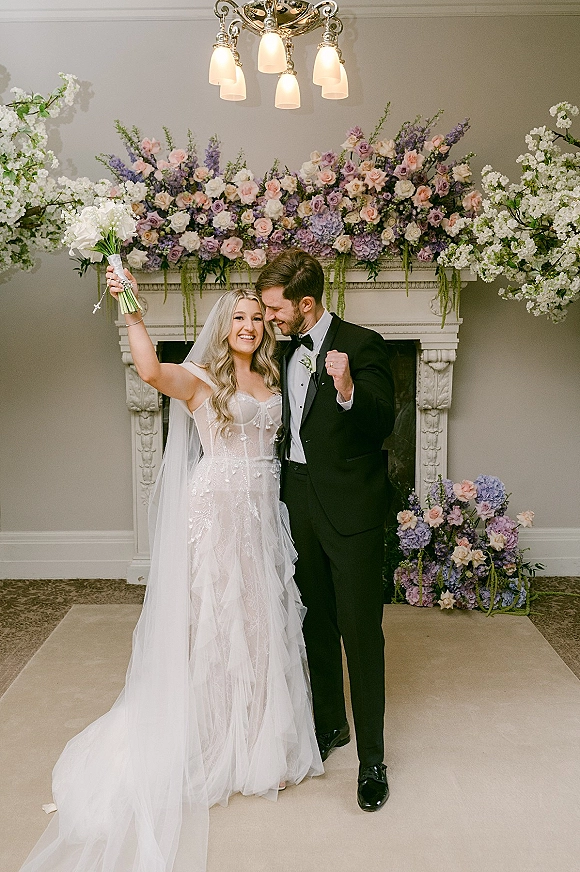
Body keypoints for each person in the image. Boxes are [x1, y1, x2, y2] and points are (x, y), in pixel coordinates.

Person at [18, 270, 322, 872]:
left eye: (256, 317)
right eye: (237, 317)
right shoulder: (202, 381)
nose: (247, 325)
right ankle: (205, 741)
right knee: (209, 624)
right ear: (223, 326)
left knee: (260, 624)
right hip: (215, 514)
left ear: (267, 326)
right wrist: (131, 306)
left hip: (261, 517)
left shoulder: (273, 375)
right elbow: (152, 372)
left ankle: (256, 745)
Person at [257, 249, 395, 812]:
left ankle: (372, 761)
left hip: (352, 510)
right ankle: (330, 726)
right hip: (297, 502)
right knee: (312, 619)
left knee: (360, 632)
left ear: (305, 303)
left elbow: (382, 422)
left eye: (274, 309)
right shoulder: (278, 352)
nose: (268, 319)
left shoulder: (362, 345)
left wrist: (345, 391)